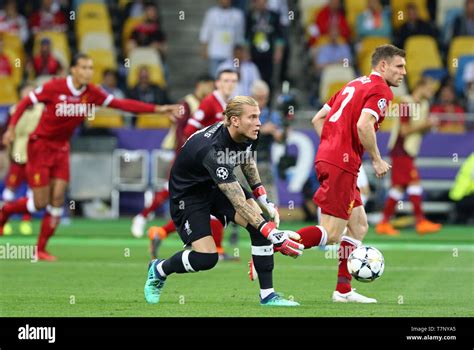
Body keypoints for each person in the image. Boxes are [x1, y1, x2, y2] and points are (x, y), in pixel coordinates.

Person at [0, 53, 179, 261]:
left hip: (62, 148)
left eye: (90, 68)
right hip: (40, 146)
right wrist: (11, 129)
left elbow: (122, 105)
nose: (88, 72)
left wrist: (158, 109)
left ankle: (40, 249)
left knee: (57, 199)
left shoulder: (93, 93)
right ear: (74, 70)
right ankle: (6, 212)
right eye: (84, 67)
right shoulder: (54, 87)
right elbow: (24, 103)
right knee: (39, 203)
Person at [143, 96, 304, 306]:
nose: (259, 122)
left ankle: (268, 295)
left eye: (258, 117)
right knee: (207, 258)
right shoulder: (212, 150)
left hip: (215, 185)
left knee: (260, 222)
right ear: (235, 120)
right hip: (189, 194)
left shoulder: (248, 133)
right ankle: (159, 269)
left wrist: (263, 198)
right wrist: (273, 234)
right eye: (253, 117)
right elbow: (238, 203)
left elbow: (247, 160)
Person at [135, 70, 238, 259]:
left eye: (233, 81)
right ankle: (216, 248)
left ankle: (161, 232)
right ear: (217, 83)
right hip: (203, 163)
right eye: (226, 80)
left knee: (210, 202)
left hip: (216, 161)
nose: (229, 84)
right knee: (214, 200)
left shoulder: (229, 105)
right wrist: (198, 156)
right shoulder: (209, 102)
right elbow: (190, 129)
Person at [376, 77, 442, 236]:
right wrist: (425, 125)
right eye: (429, 89)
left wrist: (429, 127)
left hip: (410, 150)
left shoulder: (424, 105)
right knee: (414, 182)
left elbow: (419, 130)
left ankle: (384, 222)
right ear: (420, 86)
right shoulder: (405, 103)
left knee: (400, 187)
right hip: (400, 149)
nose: (431, 93)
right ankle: (420, 221)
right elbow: (404, 131)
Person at [2, 84, 43, 236]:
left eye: (32, 91)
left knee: (33, 190)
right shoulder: (14, 111)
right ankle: (4, 220)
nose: (30, 94)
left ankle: (26, 220)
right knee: (10, 190)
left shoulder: (42, 109)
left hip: (36, 156)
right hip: (18, 155)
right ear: (20, 94)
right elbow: (6, 135)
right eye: (27, 91)